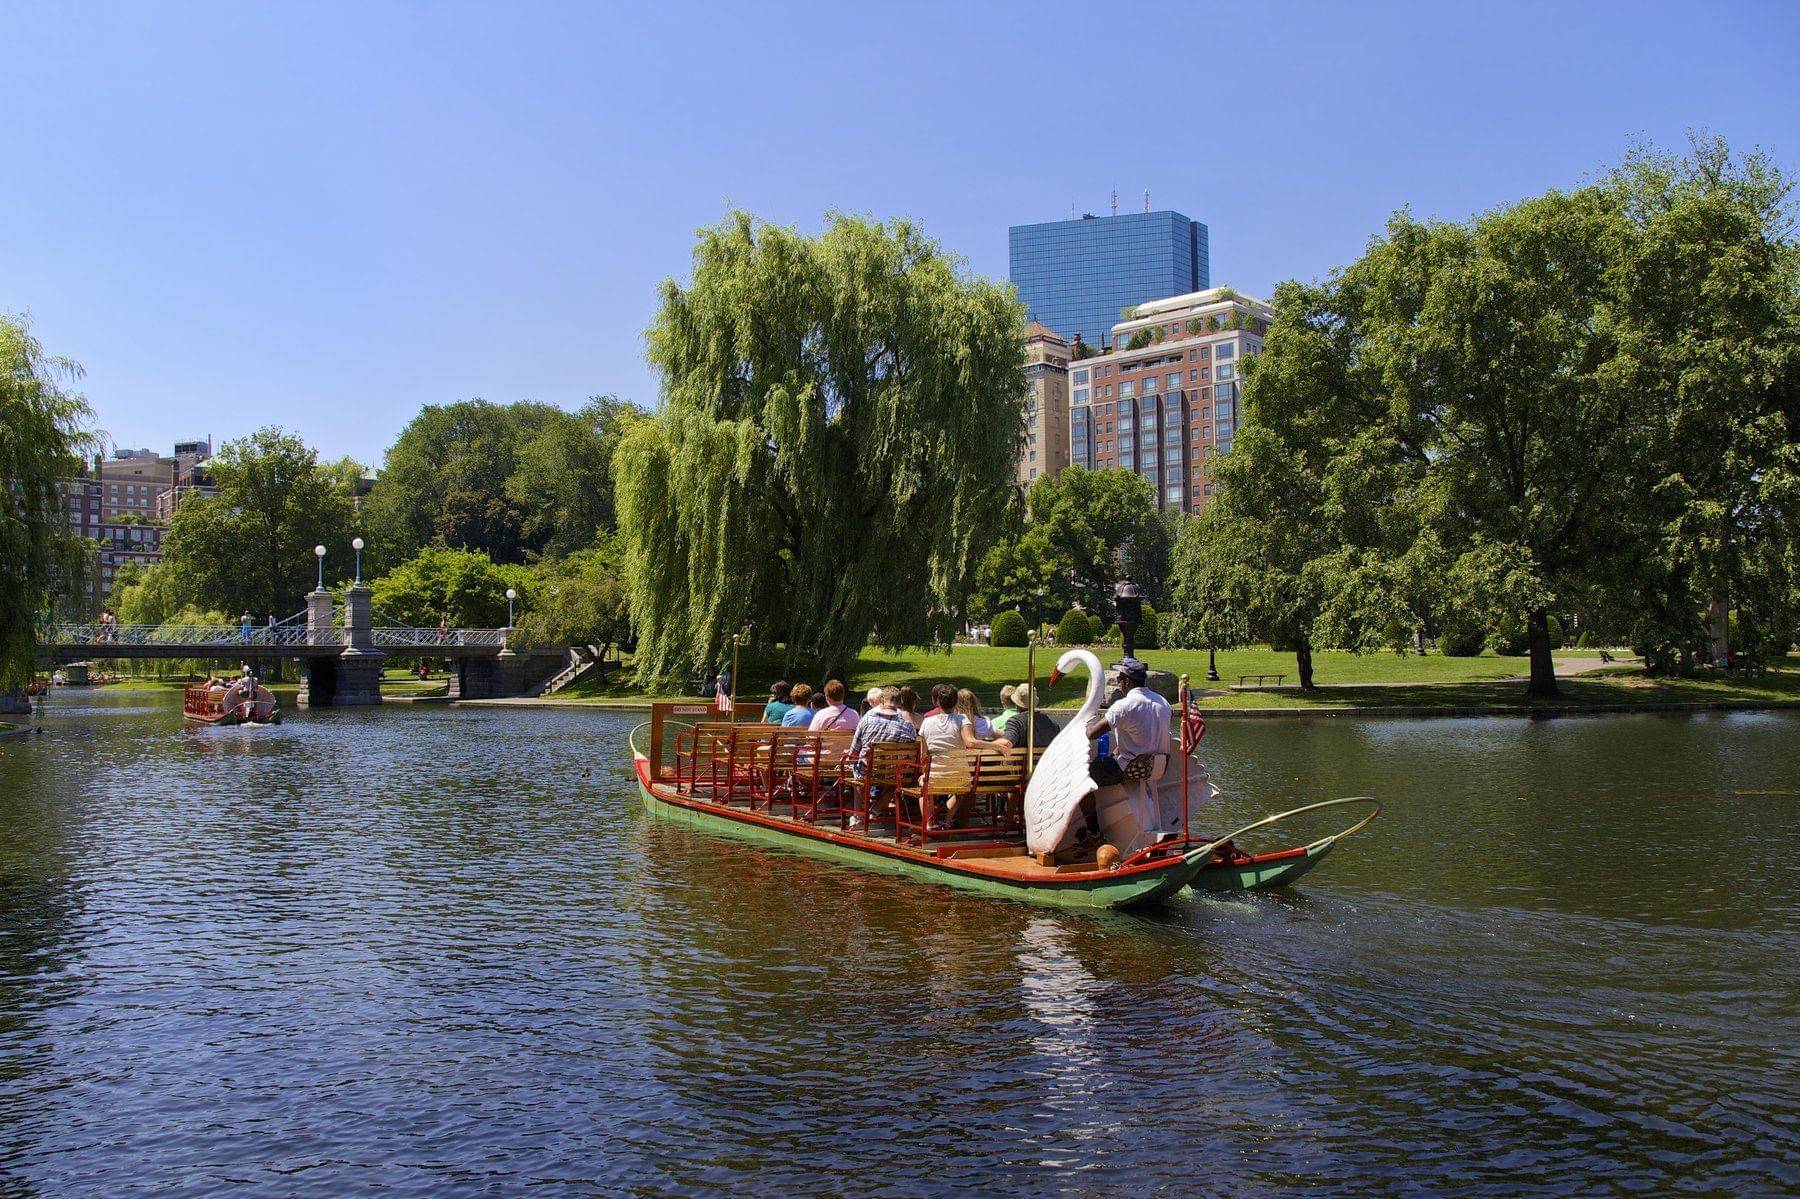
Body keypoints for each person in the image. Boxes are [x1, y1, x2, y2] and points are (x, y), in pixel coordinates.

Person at [1085, 657, 1169, 786]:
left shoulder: (1124, 706)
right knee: (1111, 759)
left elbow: (1092, 734)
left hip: (1133, 769)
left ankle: (1092, 807)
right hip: (1158, 768)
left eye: (1120, 680)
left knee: (1084, 774)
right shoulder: (1163, 702)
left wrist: (1086, 725)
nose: (1119, 684)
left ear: (1128, 681)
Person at [845, 686, 919, 828]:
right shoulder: (907, 725)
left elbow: (854, 750)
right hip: (894, 773)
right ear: (899, 702)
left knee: (860, 770)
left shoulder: (867, 720)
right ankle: (875, 810)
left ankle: (857, 814)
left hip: (868, 771)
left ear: (882, 701)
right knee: (897, 779)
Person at [998, 684, 1059, 753]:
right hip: (1046, 762)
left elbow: (1006, 743)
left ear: (1016, 704)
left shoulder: (1016, 722)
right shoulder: (1050, 723)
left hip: (1022, 763)